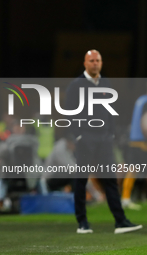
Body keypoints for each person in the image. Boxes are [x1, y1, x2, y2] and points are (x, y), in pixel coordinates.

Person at [65, 50, 142, 234]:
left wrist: (110, 133)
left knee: (110, 180)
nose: (95, 63)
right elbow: (68, 112)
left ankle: (120, 221)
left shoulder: (106, 83)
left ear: (101, 62)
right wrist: (78, 136)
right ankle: (82, 222)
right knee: (81, 180)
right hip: (86, 137)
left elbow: (110, 110)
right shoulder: (76, 85)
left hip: (104, 139)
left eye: (98, 60)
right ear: (85, 63)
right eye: (91, 60)